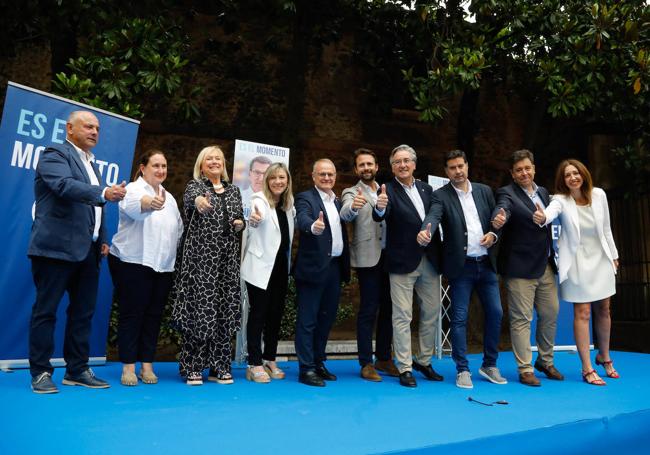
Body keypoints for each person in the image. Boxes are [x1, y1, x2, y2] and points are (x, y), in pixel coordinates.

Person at [28, 110, 127, 394]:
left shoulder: (92, 164)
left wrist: (102, 237)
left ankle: (77, 369)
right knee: (45, 312)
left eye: (97, 128)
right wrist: (105, 193)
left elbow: (95, 207)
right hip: (54, 250)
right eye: (88, 126)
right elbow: (64, 186)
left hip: (89, 252)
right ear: (69, 129)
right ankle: (40, 373)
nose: (95, 132)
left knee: (83, 313)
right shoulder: (54, 154)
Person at [418, 150, 504, 389]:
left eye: (460, 166)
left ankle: (489, 365)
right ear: (446, 172)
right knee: (458, 319)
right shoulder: (440, 195)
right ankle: (462, 369)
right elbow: (433, 216)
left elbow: (496, 218)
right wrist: (427, 230)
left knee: (496, 313)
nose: (457, 171)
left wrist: (494, 234)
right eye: (452, 168)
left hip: (486, 264)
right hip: (461, 267)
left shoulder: (484, 191)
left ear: (467, 166)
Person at [533, 159, 619, 386]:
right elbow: (550, 213)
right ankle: (587, 368)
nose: (573, 177)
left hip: (601, 259)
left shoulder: (599, 195)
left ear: (583, 174)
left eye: (576, 173)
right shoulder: (560, 200)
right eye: (567, 175)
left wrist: (614, 255)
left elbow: (607, 229)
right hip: (577, 263)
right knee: (583, 313)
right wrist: (542, 217)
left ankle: (604, 356)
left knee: (604, 309)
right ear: (562, 180)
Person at [170, 145, 245, 386]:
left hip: (228, 263)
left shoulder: (234, 191)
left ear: (224, 164)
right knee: (201, 311)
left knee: (224, 310)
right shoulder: (195, 187)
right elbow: (193, 201)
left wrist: (240, 224)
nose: (214, 162)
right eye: (209, 159)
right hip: (201, 262)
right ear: (202, 165)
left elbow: (239, 220)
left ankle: (220, 366)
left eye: (218, 159)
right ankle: (193, 366)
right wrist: (200, 201)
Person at [108, 149, 183, 386]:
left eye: (164, 166)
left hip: (163, 267)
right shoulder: (133, 189)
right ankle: (128, 367)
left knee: (153, 316)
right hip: (133, 262)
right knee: (132, 314)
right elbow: (134, 206)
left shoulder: (169, 198)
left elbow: (178, 231)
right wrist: (149, 203)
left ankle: (146, 365)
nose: (161, 170)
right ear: (143, 168)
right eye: (156, 166)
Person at [373, 145, 443, 388]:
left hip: (430, 260)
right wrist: (380, 206)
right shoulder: (388, 190)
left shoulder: (427, 189)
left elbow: (436, 214)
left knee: (432, 312)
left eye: (406, 161)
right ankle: (404, 367)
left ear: (414, 164)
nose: (402, 165)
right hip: (402, 262)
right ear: (392, 167)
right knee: (402, 316)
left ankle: (423, 360)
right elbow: (380, 214)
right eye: (397, 162)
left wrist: (430, 230)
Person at [491, 150, 564, 386]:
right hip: (519, 267)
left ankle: (546, 360)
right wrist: (498, 217)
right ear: (512, 174)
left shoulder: (543, 192)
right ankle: (525, 368)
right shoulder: (506, 193)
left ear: (534, 168)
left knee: (551, 312)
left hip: (545, 265)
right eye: (519, 170)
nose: (524, 173)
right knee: (521, 318)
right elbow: (503, 208)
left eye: (527, 168)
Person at [340, 148, 397, 382]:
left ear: (376, 167)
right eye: (362, 165)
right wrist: (353, 206)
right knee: (368, 309)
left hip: (391, 257)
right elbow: (345, 214)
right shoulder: (350, 191)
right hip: (367, 257)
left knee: (389, 309)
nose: (366, 168)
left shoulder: (388, 190)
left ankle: (384, 357)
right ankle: (366, 362)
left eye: (370, 164)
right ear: (356, 169)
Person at [293, 159, 350, 387]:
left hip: (334, 268)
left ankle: (318, 362)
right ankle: (306, 369)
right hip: (312, 269)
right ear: (314, 176)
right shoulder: (306, 197)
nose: (327, 178)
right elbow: (303, 218)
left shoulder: (336, 200)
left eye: (330, 174)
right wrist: (312, 227)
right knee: (307, 320)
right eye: (322, 174)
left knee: (326, 319)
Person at [241, 163, 295, 383]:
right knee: (259, 314)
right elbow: (255, 219)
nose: (278, 182)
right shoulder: (258, 200)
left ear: (287, 180)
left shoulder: (288, 205)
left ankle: (269, 359)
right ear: (267, 180)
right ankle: (254, 363)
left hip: (281, 268)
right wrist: (253, 221)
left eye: (282, 177)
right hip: (260, 268)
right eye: (273, 178)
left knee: (275, 315)